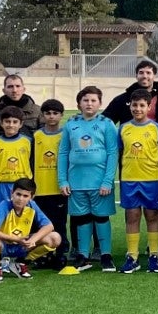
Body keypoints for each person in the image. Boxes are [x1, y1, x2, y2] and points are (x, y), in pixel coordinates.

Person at [57, 86, 118, 270]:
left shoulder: (107, 124)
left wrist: (108, 180)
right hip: (76, 182)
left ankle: (106, 255)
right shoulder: (71, 125)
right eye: (85, 100)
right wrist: (63, 180)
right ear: (79, 104)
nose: (89, 103)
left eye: (93, 100)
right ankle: (83, 255)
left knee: (101, 218)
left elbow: (113, 153)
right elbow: (63, 153)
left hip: (100, 183)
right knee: (81, 219)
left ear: (100, 103)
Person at [117, 90, 158, 272]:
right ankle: (132, 256)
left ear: (149, 107)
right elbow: (120, 151)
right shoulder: (123, 128)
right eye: (134, 105)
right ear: (130, 106)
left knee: (152, 215)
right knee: (132, 216)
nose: (137, 109)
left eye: (141, 105)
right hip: (129, 180)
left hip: (151, 179)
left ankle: (154, 255)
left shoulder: (156, 128)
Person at [0, 178, 60, 281]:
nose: (21, 199)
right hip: (3, 246)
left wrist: (33, 240)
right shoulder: (4, 205)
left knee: (55, 238)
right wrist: (13, 238)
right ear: (12, 193)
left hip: (23, 246)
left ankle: (22, 262)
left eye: (25, 196)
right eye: (18, 194)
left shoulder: (32, 206)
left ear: (32, 197)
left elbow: (49, 226)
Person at [32, 99, 70, 271]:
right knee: (40, 224)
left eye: (55, 113)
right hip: (40, 189)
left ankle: (61, 254)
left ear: (61, 115)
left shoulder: (66, 135)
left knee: (59, 223)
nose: (51, 116)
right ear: (43, 115)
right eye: (48, 113)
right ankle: (43, 254)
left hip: (59, 188)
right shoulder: (36, 136)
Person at [0, 110, 33, 214]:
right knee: (2, 217)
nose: (11, 125)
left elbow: (32, 165)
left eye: (15, 122)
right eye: (7, 121)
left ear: (21, 124)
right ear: (1, 123)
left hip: (24, 186)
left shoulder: (28, 141)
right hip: (2, 186)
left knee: (23, 217)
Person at [104, 58, 158, 124]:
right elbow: (105, 121)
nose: (144, 76)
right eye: (141, 73)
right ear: (136, 76)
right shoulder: (123, 99)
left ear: (154, 76)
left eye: (148, 73)